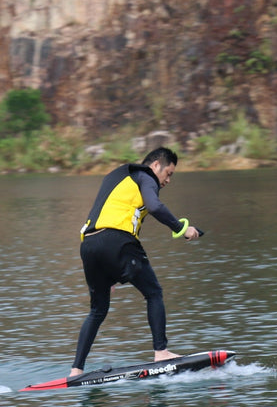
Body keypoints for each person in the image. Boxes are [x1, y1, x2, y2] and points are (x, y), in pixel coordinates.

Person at [69, 146, 201, 378]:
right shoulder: (145, 176)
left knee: (97, 310)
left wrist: (107, 272)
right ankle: (161, 352)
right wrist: (182, 228)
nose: (168, 180)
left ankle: (76, 370)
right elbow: (155, 206)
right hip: (117, 241)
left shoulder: (117, 178)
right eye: (168, 173)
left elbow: (105, 216)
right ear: (156, 165)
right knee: (154, 293)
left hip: (89, 245)